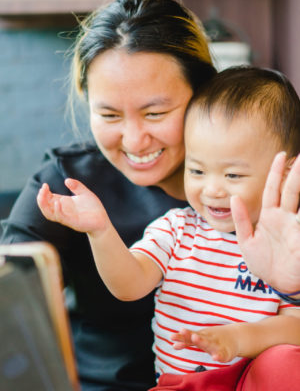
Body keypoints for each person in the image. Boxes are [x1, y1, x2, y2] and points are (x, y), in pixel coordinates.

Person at [0, 0, 217, 391]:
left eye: (155, 113)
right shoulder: (64, 186)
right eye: (110, 115)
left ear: (204, 93)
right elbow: (10, 284)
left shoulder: (255, 174)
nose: (134, 140)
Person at [37, 67, 300, 390]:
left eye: (233, 175)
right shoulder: (178, 230)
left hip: (254, 380)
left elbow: (295, 328)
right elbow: (129, 284)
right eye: (197, 170)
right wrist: (100, 231)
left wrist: (238, 339)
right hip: (183, 384)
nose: (212, 189)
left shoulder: (288, 244)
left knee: (287, 363)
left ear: (285, 174)